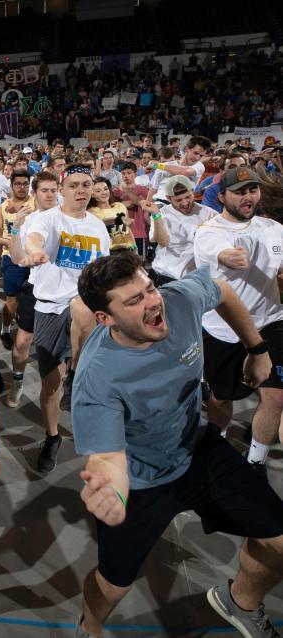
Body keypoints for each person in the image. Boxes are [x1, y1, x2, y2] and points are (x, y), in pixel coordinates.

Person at [72, 250, 283, 638]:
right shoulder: (97, 379)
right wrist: (112, 488)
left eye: (149, 288)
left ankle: (240, 601)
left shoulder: (177, 300)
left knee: (280, 542)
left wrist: (257, 349)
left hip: (197, 448)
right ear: (105, 318)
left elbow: (220, 290)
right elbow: (106, 454)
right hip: (141, 480)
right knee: (114, 584)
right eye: (134, 300)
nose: (153, 302)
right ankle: (90, 626)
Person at [18, 165, 110, 473]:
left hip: (86, 310)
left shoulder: (98, 226)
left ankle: (78, 375)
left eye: (87, 184)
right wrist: (34, 252)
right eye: (74, 185)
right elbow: (34, 238)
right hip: (50, 308)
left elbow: (103, 270)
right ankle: (52, 436)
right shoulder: (47, 219)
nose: (81, 190)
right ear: (62, 189)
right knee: (50, 386)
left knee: (83, 307)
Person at [194, 167, 283, 470]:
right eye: (240, 191)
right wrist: (230, 257)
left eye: (252, 190)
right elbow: (221, 253)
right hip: (225, 329)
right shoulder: (209, 232)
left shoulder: (273, 228)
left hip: (271, 322)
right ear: (222, 196)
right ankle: (216, 440)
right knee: (222, 397)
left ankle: (255, 460)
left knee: (275, 396)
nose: (248, 197)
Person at [0, 171, 59, 408]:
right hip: (37, 288)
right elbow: (16, 257)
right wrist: (15, 228)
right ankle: (18, 381)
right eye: (44, 190)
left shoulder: (68, 217)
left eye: (54, 190)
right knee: (22, 342)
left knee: (67, 347)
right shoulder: (30, 220)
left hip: (66, 293)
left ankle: (68, 387)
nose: (50, 194)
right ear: (35, 194)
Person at [146, 175, 217, 286]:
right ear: (168, 198)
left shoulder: (210, 214)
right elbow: (163, 242)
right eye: (178, 200)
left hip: (194, 279)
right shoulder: (160, 213)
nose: (184, 203)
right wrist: (156, 215)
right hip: (163, 276)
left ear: (193, 192)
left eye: (188, 197)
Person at [0, 171, 35, 349]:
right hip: (11, 257)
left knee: (36, 298)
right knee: (12, 300)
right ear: (11, 186)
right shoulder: (3, 208)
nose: (22, 187)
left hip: (33, 257)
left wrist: (18, 209)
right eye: (18, 184)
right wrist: (8, 241)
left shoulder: (36, 203)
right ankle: (5, 330)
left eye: (25, 184)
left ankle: (32, 329)